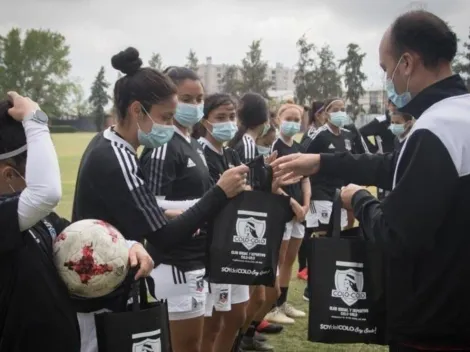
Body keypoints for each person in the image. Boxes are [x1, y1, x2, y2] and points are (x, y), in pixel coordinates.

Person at [272, 11, 470, 351]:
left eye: (384, 69)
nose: (387, 80)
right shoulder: (459, 116)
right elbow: (392, 164)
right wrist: (321, 162)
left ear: (406, 63)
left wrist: (360, 200)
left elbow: (396, 236)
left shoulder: (435, 129)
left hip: (434, 320)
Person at [71, 48, 249, 352]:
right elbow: (162, 237)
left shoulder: (112, 146)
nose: (170, 125)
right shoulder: (115, 157)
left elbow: (145, 211)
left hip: (106, 284)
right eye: (166, 117)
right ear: (138, 111)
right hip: (99, 291)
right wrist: (218, 194)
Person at [0, 94, 80, 352]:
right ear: (10, 174)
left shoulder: (37, 217)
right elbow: (47, 193)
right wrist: (34, 118)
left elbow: (80, 236)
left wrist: (128, 245)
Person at [192, 93, 250, 352]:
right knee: (213, 323)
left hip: (235, 245)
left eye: (232, 117)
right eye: (220, 117)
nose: (228, 122)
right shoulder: (200, 155)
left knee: (237, 318)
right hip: (213, 250)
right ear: (205, 121)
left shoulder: (230, 154)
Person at [228, 92, 281, 352]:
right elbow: (252, 188)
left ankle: (244, 338)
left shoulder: (246, 142)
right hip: (250, 226)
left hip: (249, 225)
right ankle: (239, 340)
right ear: (263, 117)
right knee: (254, 294)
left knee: (256, 294)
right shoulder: (248, 144)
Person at [300, 98, 362, 301]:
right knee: (322, 238)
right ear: (326, 114)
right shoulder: (319, 135)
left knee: (336, 237)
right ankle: (311, 286)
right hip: (321, 193)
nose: (340, 113)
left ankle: (327, 282)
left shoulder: (348, 135)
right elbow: (305, 160)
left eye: (343, 109)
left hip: (340, 194)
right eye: (336, 110)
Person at [266, 103, 310, 324]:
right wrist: (292, 203)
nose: (293, 123)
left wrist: (306, 204)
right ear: (278, 119)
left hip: (299, 214)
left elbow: (306, 178)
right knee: (279, 258)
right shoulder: (275, 147)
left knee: (290, 260)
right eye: (289, 118)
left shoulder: (299, 147)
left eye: (297, 119)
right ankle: (271, 306)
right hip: (282, 211)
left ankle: (282, 302)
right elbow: (272, 182)